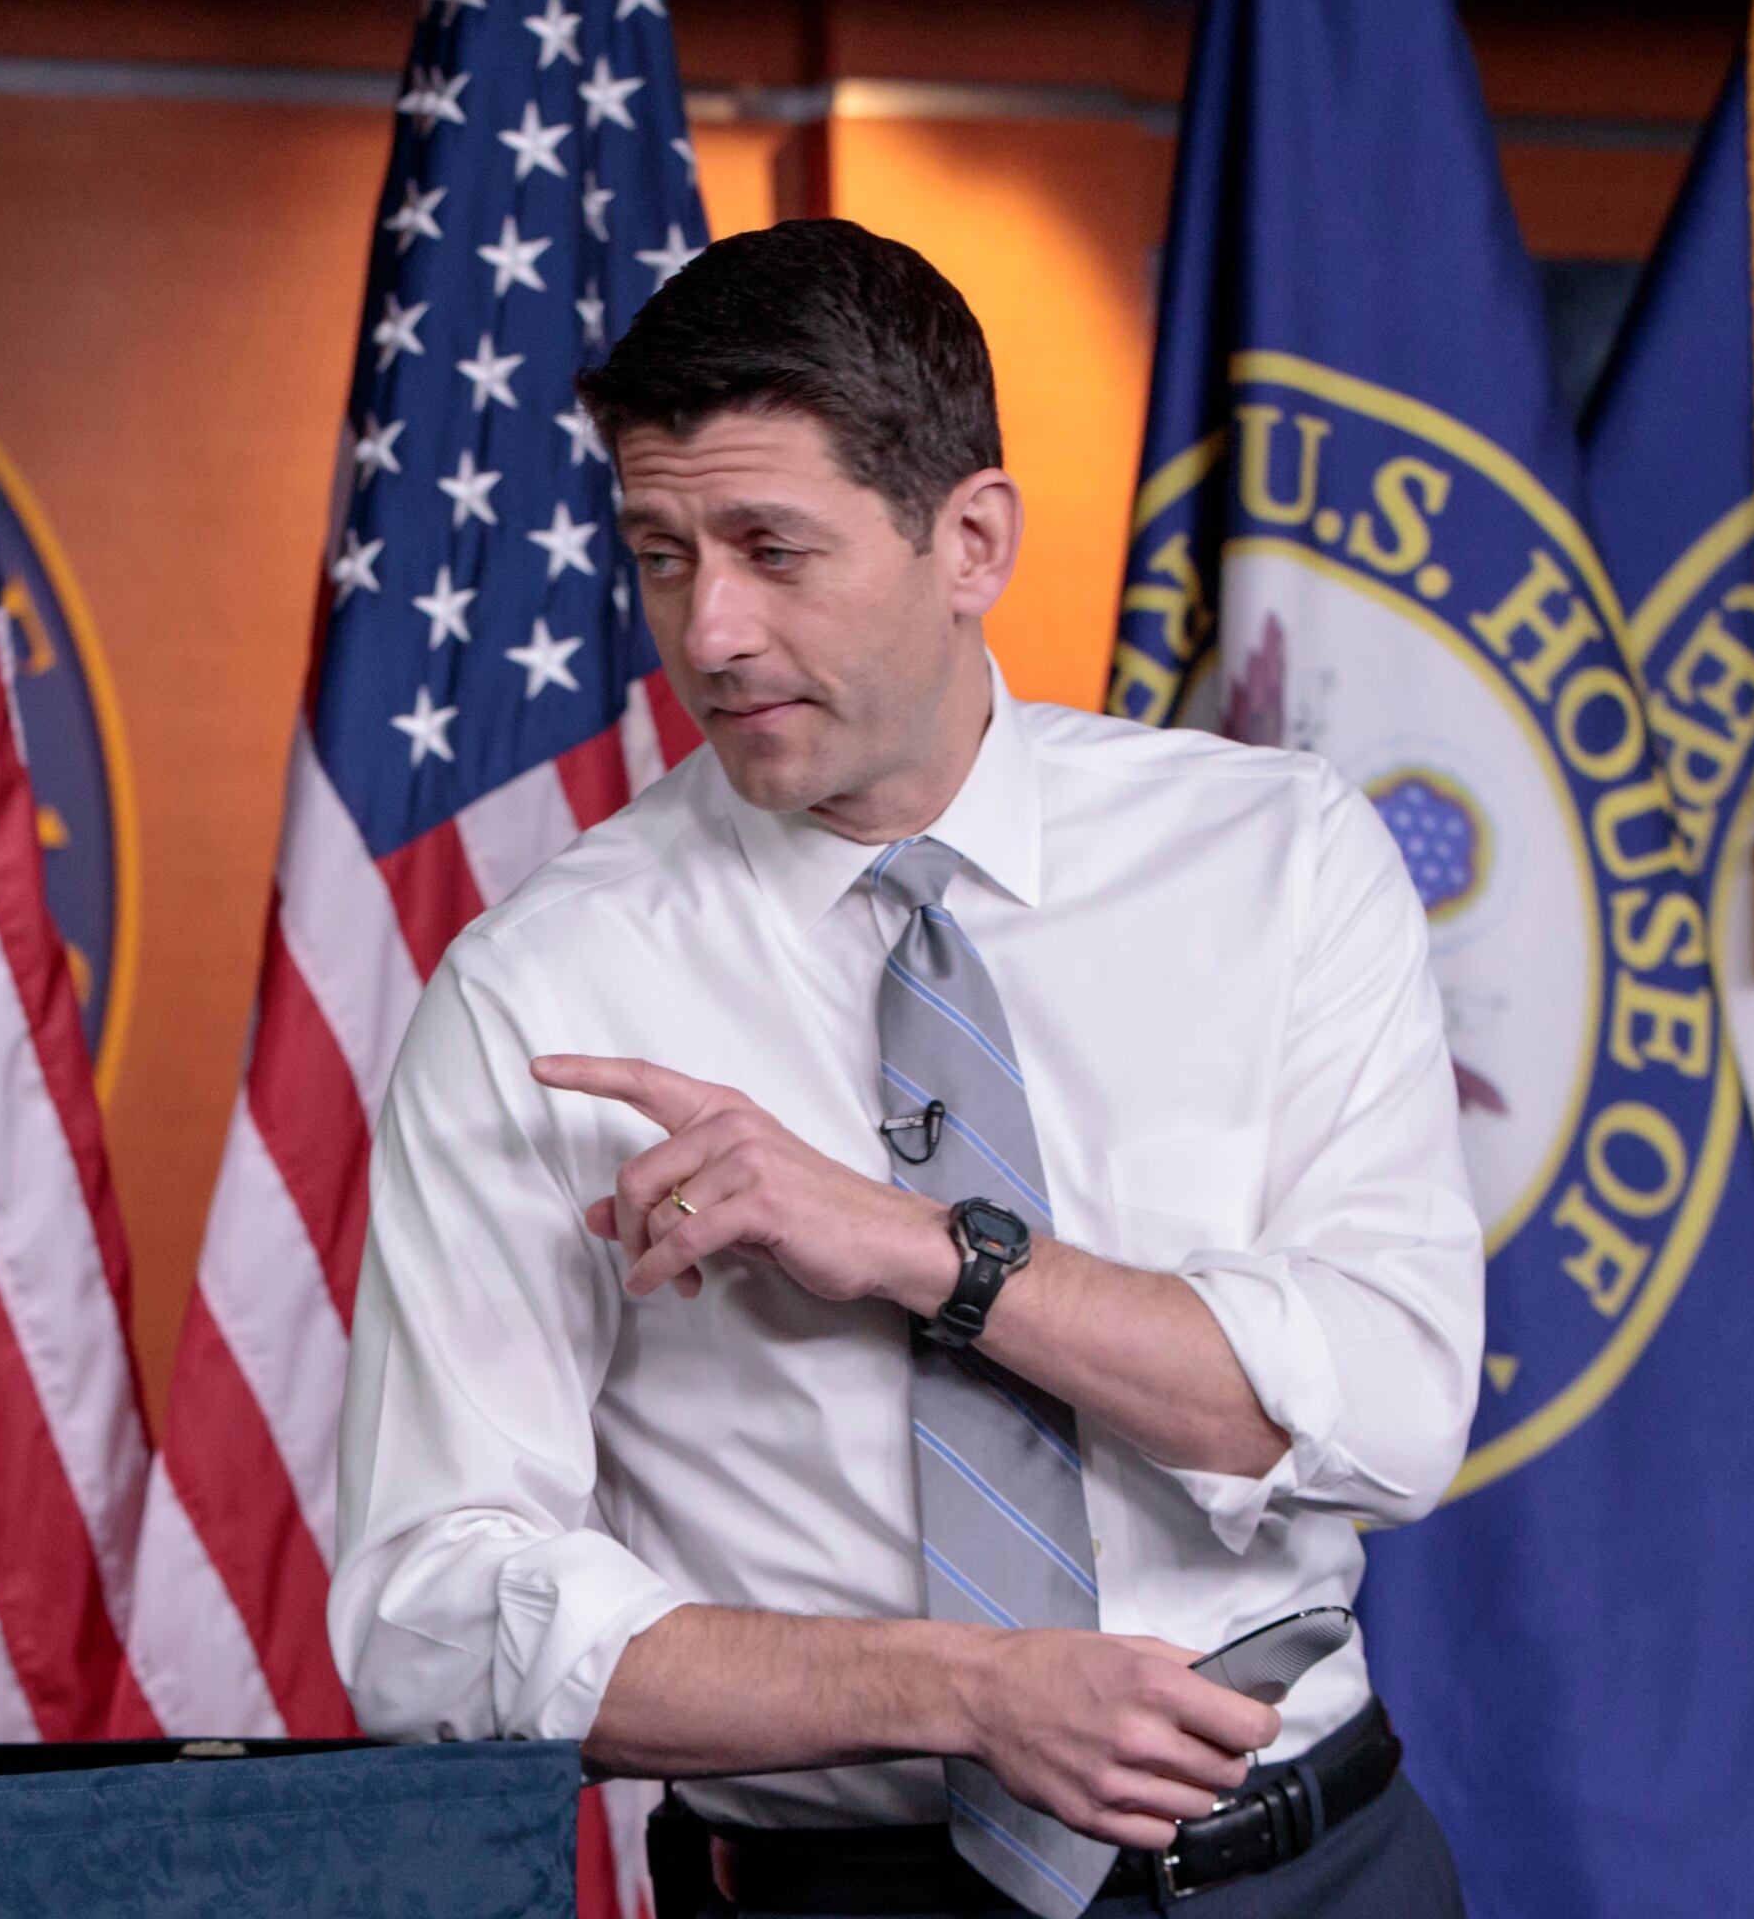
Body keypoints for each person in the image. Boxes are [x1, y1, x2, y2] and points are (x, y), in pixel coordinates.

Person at [328, 219, 1484, 1918]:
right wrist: (954, 1689)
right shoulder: (541, 991)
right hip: (836, 1887)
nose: (708, 632)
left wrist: (923, 1251)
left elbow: (1387, 1412)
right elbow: (424, 1620)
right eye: (661, 554)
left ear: (971, 541)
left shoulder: (1279, 857)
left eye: (772, 550)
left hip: (1311, 1872)